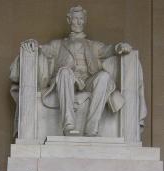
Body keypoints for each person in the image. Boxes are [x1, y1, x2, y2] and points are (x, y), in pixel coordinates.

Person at [11, 6, 144, 137]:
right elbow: (43, 49)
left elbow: (109, 49)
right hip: (67, 80)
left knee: (104, 76)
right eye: (75, 19)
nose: (79, 22)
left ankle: (92, 127)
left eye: (81, 19)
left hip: (87, 81)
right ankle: (68, 125)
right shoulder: (58, 44)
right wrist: (33, 44)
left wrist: (119, 46)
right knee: (64, 72)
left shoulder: (93, 45)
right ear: (69, 20)